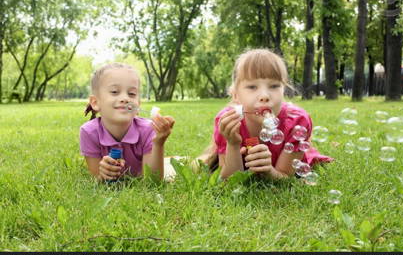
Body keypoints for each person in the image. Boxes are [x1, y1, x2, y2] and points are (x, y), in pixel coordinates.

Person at [201, 49, 332, 180]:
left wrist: (269, 172)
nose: (264, 96)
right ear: (235, 95)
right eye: (252, 87)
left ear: (283, 90)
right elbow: (228, 180)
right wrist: (233, 144)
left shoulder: (296, 122)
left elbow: (285, 176)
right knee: (205, 162)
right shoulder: (228, 121)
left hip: (286, 164)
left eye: (274, 86)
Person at [80, 63, 175, 182]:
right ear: (95, 102)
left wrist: (158, 144)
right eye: (114, 92)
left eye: (132, 94)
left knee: (177, 169)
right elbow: (96, 177)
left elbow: (154, 182)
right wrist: (102, 174)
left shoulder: (148, 129)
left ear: (138, 104)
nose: (125, 98)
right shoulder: (89, 132)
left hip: (158, 170)